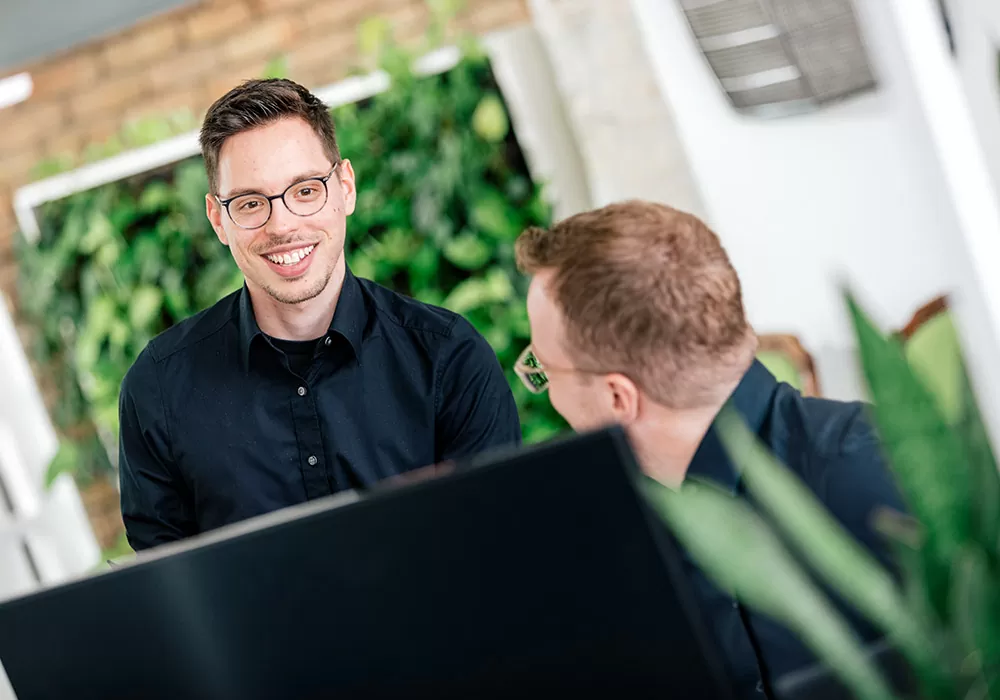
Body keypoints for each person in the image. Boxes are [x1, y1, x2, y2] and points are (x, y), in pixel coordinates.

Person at [512, 200, 907, 699]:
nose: (544, 389)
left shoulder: (876, 477)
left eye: (541, 369)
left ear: (617, 396)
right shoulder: (634, 533)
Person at [118, 78, 521, 552]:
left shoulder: (448, 357)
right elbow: (174, 597)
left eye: (305, 190)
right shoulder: (157, 390)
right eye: (250, 203)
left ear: (345, 187)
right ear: (217, 219)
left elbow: (500, 547)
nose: (282, 224)